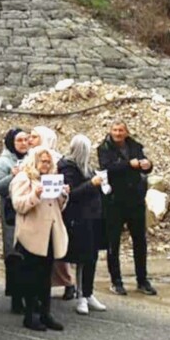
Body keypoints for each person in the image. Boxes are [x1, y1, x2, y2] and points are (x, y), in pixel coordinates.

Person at [10, 147, 69, 331]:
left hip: (50, 233)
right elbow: (18, 205)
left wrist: (63, 194)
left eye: (48, 161)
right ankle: (31, 315)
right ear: (34, 161)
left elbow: (58, 206)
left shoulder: (52, 178)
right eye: (43, 161)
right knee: (31, 276)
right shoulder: (23, 178)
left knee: (46, 276)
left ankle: (46, 313)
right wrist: (35, 195)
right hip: (31, 234)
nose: (46, 164)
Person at [97, 120, 157, 296]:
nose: (118, 133)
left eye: (121, 130)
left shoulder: (135, 146)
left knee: (140, 241)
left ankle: (142, 280)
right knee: (113, 242)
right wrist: (129, 165)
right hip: (114, 201)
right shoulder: (104, 148)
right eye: (115, 130)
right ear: (110, 131)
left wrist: (148, 165)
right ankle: (116, 281)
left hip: (135, 201)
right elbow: (107, 167)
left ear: (126, 132)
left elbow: (143, 166)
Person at [59, 134, 108, 315]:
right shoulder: (67, 168)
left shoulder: (87, 168)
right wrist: (91, 184)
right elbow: (72, 194)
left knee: (92, 258)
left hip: (93, 218)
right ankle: (81, 295)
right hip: (78, 219)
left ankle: (88, 293)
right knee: (82, 258)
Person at [0, 128, 32, 314]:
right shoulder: (3, 161)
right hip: (12, 214)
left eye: (26, 139)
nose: (24, 143)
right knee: (14, 254)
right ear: (11, 143)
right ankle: (16, 298)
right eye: (19, 140)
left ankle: (31, 295)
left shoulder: (32, 158)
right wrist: (13, 176)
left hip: (31, 213)